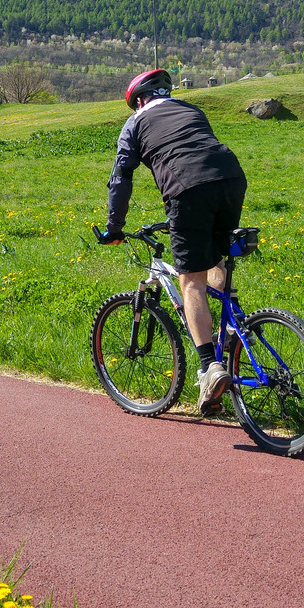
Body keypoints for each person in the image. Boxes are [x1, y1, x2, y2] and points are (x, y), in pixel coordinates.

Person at [102, 68, 247, 414]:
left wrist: (114, 227)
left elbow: (121, 177)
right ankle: (230, 329)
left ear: (138, 101)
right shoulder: (191, 109)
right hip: (231, 177)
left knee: (190, 280)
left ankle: (210, 369)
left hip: (187, 187)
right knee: (216, 257)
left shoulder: (135, 122)